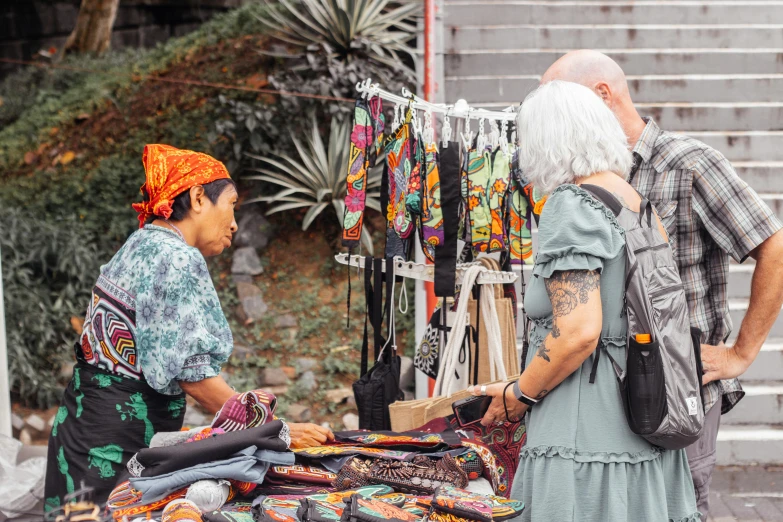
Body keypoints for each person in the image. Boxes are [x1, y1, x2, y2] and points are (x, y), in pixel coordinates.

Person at [540, 50, 783, 516]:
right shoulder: (578, 177)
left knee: (680, 509)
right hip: (606, 403)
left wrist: (741, 354)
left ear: (601, 95)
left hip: (675, 396)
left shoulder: (687, 163)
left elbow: (773, 246)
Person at [44, 144, 334, 507]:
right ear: (198, 198)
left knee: (75, 515)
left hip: (82, 428)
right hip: (114, 445)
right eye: (231, 205)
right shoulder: (177, 257)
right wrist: (273, 430)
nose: (233, 223)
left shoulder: (142, 242)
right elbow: (192, 375)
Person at [473, 80, 699, 521]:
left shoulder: (571, 203)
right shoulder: (634, 200)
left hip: (584, 421)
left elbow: (577, 331)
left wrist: (520, 393)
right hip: (638, 410)